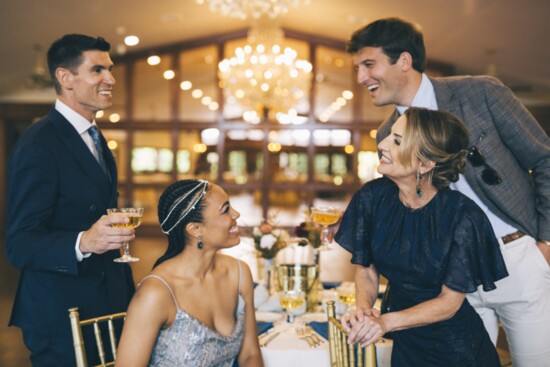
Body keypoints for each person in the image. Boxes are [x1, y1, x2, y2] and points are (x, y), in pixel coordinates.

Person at [346, 17, 550, 367]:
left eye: (369, 64)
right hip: (447, 283)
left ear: (404, 61)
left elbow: (544, 159)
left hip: (518, 257)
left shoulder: (481, 93)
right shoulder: (385, 137)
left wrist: (546, 242)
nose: (361, 78)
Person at [335, 107, 508, 366]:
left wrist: (385, 322)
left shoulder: (463, 216)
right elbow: (366, 270)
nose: (382, 144)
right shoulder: (371, 198)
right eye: (389, 135)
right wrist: (364, 311)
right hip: (406, 346)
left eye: (396, 140)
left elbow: (449, 303)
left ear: (426, 164)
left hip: (456, 351)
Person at [5, 34, 135, 366]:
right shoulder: (39, 143)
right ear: (66, 78)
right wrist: (85, 241)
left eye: (110, 69)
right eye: (98, 70)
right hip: (62, 316)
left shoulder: (95, 137)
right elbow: (20, 244)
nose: (111, 79)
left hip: (106, 307)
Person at [115, 179, 263, 367]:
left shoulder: (239, 273)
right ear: (195, 229)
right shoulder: (155, 293)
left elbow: (250, 354)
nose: (236, 214)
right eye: (226, 210)